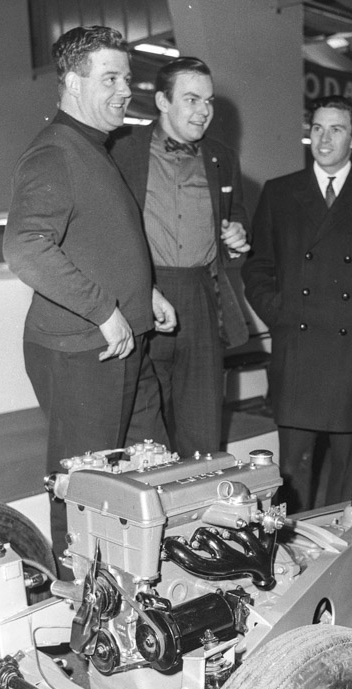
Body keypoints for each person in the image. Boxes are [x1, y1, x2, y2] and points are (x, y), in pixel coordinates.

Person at [3, 26, 176, 575]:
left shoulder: (94, 148)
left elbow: (98, 239)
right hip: (84, 352)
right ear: (73, 84)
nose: (126, 89)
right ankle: (80, 616)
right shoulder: (56, 152)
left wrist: (143, 294)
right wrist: (104, 309)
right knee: (84, 492)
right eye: (111, 78)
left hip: (126, 343)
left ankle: (140, 595)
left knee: (148, 473)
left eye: (127, 77)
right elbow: (25, 246)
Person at [243, 95, 352, 513]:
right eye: (317, 128)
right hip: (296, 348)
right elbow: (257, 268)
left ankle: (345, 555)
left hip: (350, 349)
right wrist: (280, 315)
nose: (324, 138)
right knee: (292, 473)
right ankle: (290, 559)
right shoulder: (281, 192)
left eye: (336, 129)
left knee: (346, 473)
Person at [109, 57, 250, 457]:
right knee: (145, 425)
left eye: (208, 101)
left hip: (203, 295)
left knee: (203, 422)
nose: (203, 111)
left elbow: (234, 213)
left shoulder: (223, 158)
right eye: (191, 99)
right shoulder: (122, 150)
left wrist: (238, 232)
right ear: (161, 101)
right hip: (143, 292)